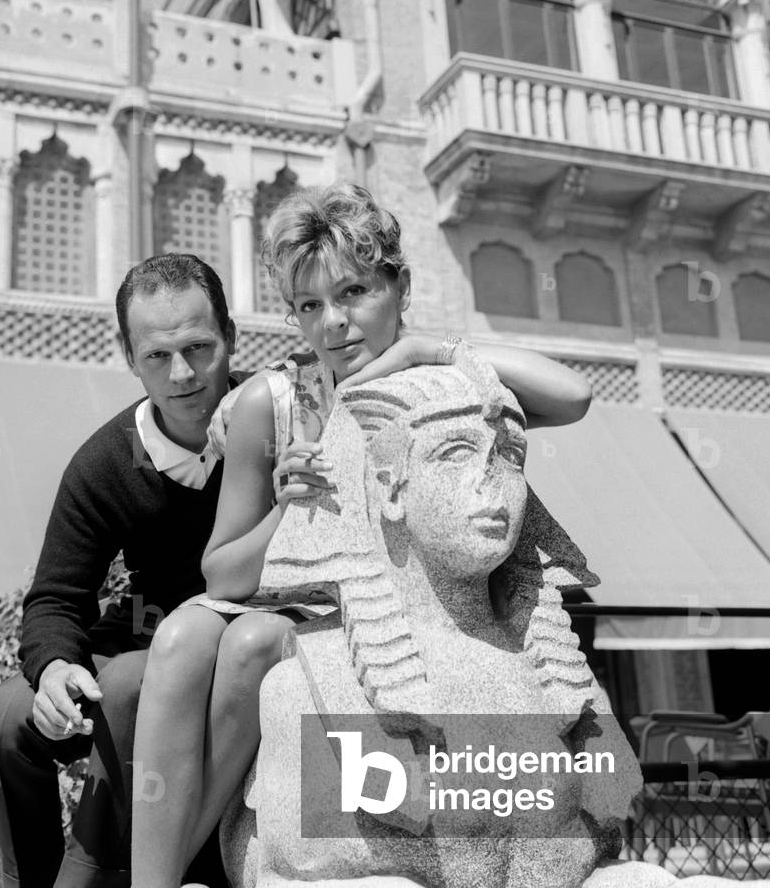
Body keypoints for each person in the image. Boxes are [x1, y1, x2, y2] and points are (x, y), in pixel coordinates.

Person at [130, 182, 592, 888]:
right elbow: (222, 574)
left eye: (352, 293)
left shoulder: (440, 379)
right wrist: (287, 504)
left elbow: (572, 394)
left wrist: (428, 349)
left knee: (251, 641)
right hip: (316, 611)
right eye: (310, 305)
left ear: (399, 284)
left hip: (431, 616)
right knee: (189, 636)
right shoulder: (271, 403)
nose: (333, 323)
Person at [0, 254, 250, 888]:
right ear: (127, 355)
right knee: (2, 722)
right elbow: (54, 598)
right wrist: (54, 669)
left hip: (233, 643)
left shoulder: (278, 410)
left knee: (128, 685)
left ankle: (99, 871)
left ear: (230, 338)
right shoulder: (103, 460)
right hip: (144, 634)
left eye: (199, 347)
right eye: (157, 356)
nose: (181, 374)